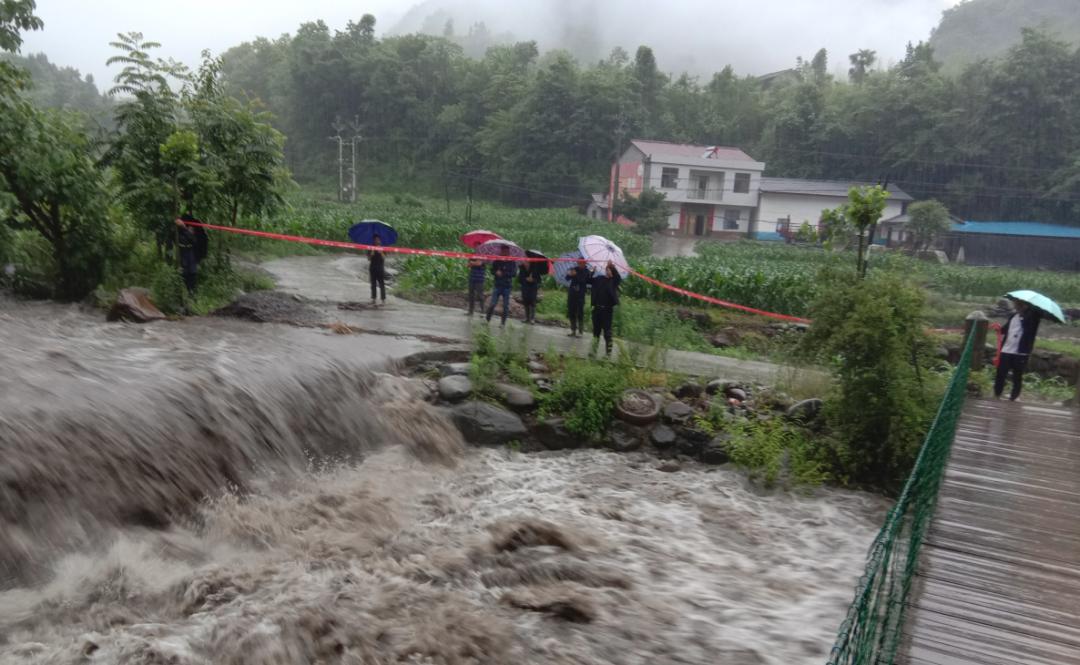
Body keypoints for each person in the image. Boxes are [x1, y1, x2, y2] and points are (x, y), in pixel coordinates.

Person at [994, 298, 1043, 401]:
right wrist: (998, 328)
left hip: (1020, 352)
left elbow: (1029, 326)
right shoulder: (1013, 316)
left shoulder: (1032, 317)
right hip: (1006, 349)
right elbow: (1005, 329)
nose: (1015, 305)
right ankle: (997, 394)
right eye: (1015, 303)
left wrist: (1024, 314)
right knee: (1001, 373)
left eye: (1018, 303)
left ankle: (1014, 396)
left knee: (1017, 375)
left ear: (1024, 305)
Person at [590, 260, 621, 356]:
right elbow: (589, 280)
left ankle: (608, 355)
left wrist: (613, 267)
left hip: (607, 311)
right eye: (607, 269)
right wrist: (592, 272)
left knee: (607, 334)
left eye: (610, 270)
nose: (608, 271)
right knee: (596, 333)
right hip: (597, 310)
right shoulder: (599, 278)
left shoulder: (613, 282)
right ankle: (593, 352)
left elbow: (618, 277)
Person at [174, 214, 207, 295]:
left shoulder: (194, 226)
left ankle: (191, 294)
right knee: (183, 274)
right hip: (182, 253)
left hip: (191, 253)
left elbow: (194, 240)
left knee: (192, 274)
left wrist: (184, 228)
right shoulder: (177, 227)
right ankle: (183, 294)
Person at [486, 246, 514, 326]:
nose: (505, 253)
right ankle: (487, 320)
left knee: (505, 306)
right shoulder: (497, 261)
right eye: (503, 251)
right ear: (501, 251)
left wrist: (504, 273)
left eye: (506, 251)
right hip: (497, 285)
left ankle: (502, 323)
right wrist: (496, 272)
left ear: (508, 252)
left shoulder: (511, 262)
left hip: (507, 286)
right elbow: (492, 270)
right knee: (492, 304)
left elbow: (514, 273)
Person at [566, 258, 590, 337]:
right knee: (571, 311)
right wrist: (569, 274)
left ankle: (580, 331)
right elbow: (567, 278)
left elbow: (582, 280)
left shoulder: (587, 271)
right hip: (572, 293)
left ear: (584, 263)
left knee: (580, 313)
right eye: (578, 262)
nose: (579, 264)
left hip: (580, 294)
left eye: (581, 263)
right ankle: (573, 330)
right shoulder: (574, 269)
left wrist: (575, 275)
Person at [367, 234, 386, 306]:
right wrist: (371, 253)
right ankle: (373, 299)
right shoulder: (370, 247)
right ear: (373, 240)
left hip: (380, 268)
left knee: (382, 284)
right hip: (372, 268)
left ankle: (383, 300)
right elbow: (368, 259)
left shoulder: (383, 248)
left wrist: (381, 253)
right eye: (375, 240)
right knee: (373, 284)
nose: (377, 241)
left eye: (378, 239)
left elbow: (384, 258)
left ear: (380, 240)